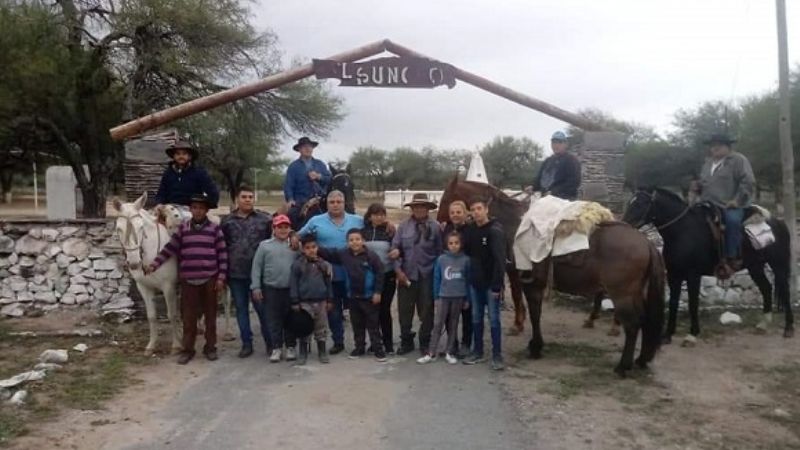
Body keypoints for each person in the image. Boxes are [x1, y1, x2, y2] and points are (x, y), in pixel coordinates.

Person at [145, 193, 227, 365]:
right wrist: (154, 265)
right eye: (195, 208)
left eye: (201, 208)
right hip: (189, 280)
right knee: (188, 318)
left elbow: (222, 254)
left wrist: (221, 277)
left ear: (206, 210)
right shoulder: (183, 229)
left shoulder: (214, 229)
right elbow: (169, 249)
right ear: (190, 210)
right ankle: (187, 350)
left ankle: (210, 348)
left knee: (210, 317)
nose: (198, 211)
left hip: (210, 279)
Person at [296, 190, 364, 355]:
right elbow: (299, 236)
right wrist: (293, 237)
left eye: (338, 202)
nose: (335, 205)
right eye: (332, 202)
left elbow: (375, 228)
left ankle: (360, 343)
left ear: (344, 203)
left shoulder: (358, 220)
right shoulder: (315, 221)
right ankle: (338, 342)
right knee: (333, 311)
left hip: (352, 274)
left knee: (357, 310)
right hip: (327, 275)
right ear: (327, 204)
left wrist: (389, 226)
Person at [318, 229, 387, 362]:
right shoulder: (344, 254)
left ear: (363, 241)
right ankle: (359, 348)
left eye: (357, 239)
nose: (354, 242)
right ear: (347, 242)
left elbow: (380, 273)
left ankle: (378, 349)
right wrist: (314, 247)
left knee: (373, 325)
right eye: (351, 240)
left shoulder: (371, 256)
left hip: (369, 297)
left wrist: (377, 292)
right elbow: (329, 254)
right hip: (353, 297)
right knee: (357, 324)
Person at [220, 185, 273, 358]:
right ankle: (246, 344)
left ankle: (271, 344)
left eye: (251, 197)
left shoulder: (264, 219)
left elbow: (273, 241)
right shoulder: (227, 221)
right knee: (241, 310)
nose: (248, 200)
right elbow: (222, 246)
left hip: (259, 274)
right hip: (235, 274)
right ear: (237, 199)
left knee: (263, 310)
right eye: (244, 197)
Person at [693, 133, 755, 277]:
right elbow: (704, 183)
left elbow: (748, 182)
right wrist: (698, 187)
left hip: (729, 204)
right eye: (712, 145)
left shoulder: (738, 160)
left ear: (728, 146)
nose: (714, 148)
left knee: (732, 221)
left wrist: (737, 200)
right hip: (706, 203)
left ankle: (733, 257)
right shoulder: (707, 163)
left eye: (718, 145)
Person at [389, 193, 443, 356]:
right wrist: (398, 271)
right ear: (411, 208)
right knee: (405, 311)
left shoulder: (436, 227)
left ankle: (425, 342)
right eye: (416, 206)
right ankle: (406, 341)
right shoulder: (403, 227)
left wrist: (437, 275)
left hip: (427, 275)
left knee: (426, 311)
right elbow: (395, 249)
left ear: (427, 208)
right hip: (406, 274)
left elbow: (440, 252)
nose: (419, 209)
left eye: (422, 206)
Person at [462, 196, 506, 370]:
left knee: (494, 320)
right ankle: (477, 351)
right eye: (473, 210)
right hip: (475, 283)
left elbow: (500, 260)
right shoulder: (471, 230)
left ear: (486, 209)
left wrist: (497, 285)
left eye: (479, 208)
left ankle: (497, 356)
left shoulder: (495, 231)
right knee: (476, 318)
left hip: (490, 285)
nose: (476, 212)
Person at [250, 214, 300, 363]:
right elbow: (257, 267)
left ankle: (291, 346)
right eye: (280, 227)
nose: (283, 230)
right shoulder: (265, 246)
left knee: (290, 319)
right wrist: (256, 287)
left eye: (286, 227)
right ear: (274, 228)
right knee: (273, 320)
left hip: (290, 289)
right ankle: (276, 347)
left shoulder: (295, 246)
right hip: (271, 288)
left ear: (290, 229)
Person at [418, 231, 470, 365]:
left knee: (453, 324)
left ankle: (449, 351)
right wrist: (436, 296)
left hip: (458, 297)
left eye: (456, 243)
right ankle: (431, 352)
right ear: (447, 245)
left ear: (461, 244)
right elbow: (437, 278)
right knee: (438, 324)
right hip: (443, 296)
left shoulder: (466, 260)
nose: (454, 246)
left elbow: (468, 280)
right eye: (451, 243)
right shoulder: (441, 259)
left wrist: (467, 299)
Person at [290, 234, 333, 365]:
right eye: (307, 248)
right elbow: (293, 283)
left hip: (320, 301)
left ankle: (322, 351)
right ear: (303, 249)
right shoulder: (297, 265)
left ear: (317, 248)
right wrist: (295, 301)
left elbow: (329, 283)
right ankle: (303, 352)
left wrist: (330, 299)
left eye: (313, 247)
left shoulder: (323, 265)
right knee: (304, 327)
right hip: (304, 302)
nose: (311, 250)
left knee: (321, 327)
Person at [362, 203, 397, 354]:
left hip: (388, 275)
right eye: (376, 214)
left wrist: (397, 251)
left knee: (384, 310)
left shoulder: (391, 231)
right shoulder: (363, 231)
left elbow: (398, 247)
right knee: (372, 311)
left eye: (382, 214)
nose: (379, 217)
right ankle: (375, 342)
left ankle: (388, 343)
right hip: (369, 277)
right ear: (370, 216)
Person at [440, 200, 472, 358]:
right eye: (452, 212)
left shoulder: (471, 229)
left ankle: (466, 343)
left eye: (458, 212)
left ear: (465, 213)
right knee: (449, 315)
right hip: (449, 275)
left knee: (467, 313)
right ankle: (453, 343)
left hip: (465, 275)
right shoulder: (446, 228)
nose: (455, 215)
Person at [154, 140, 220, 211]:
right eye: (178, 154)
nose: (181, 156)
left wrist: (206, 206)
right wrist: (159, 203)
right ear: (174, 156)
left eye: (184, 154)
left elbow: (212, 192)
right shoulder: (168, 173)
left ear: (190, 156)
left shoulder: (199, 173)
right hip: (171, 208)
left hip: (192, 209)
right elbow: (161, 192)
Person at [284, 137, 332, 229]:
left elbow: (329, 179)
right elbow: (288, 185)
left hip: (320, 199)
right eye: (304, 147)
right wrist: (290, 199)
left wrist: (319, 176)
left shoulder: (320, 164)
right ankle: (294, 235)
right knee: (292, 214)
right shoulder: (293, 167)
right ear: (299, 149)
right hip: (301, 200)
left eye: (310, 147)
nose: (307, 149)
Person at [527, 131, 581, 200]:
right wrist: (533, 187)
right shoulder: (547, 161)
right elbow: (539, 179)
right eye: (554, 142)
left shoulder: (571, 160)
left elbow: (574, 182)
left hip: (564, 200)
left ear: (566, 144)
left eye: (559, 142)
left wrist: (554, 192)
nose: (556, 145)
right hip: (545, 198)